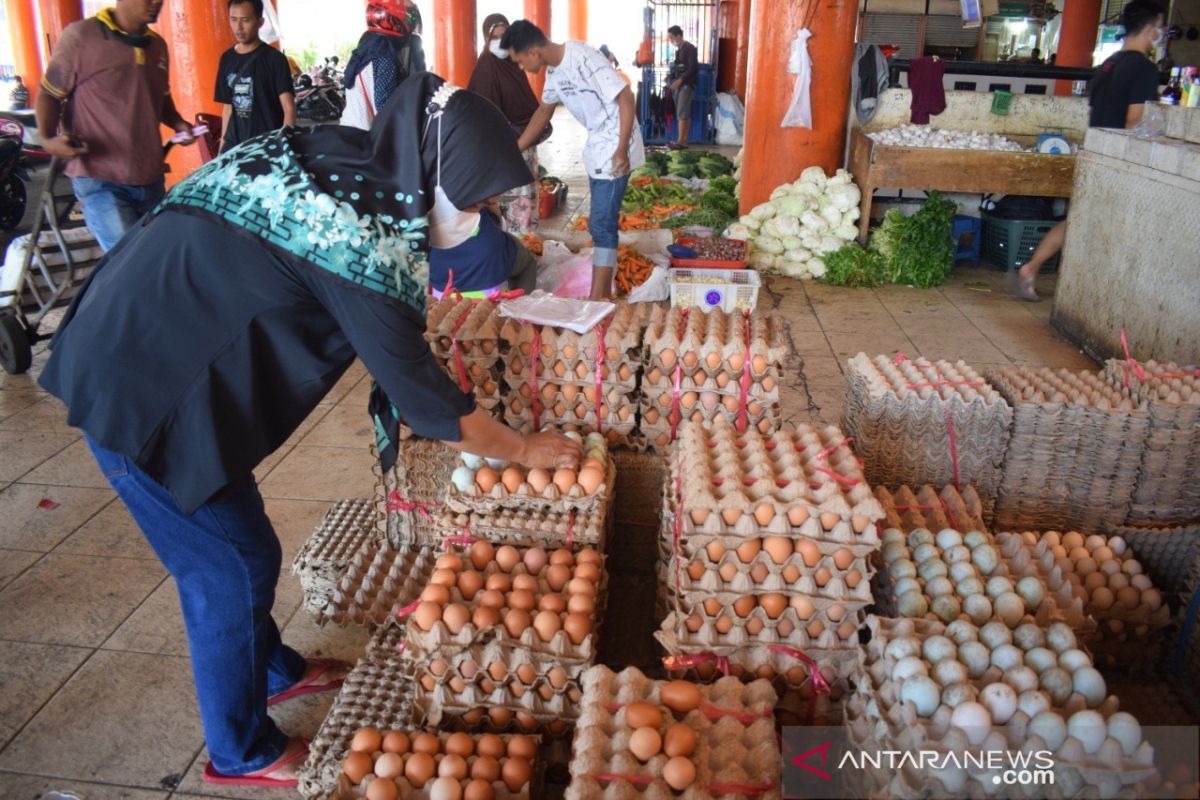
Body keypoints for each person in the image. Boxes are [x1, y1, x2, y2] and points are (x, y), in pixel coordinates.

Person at [38, 73, 581, 788]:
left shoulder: (344, 157)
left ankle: (273, 667)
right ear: (438, 177)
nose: (481, 216)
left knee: (240, 537)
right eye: (476, 199)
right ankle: (239, 749)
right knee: (227, 566)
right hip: (138, 386)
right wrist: (520, 448)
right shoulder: (358, 241)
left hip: (149, 334)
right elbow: (428, 405)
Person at [1014, 0, 1164, 301]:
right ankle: (1093, 291)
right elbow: (1134, 121)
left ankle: (1032, 267)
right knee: (1107, 227)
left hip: (1093, 154)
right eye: (1160, 28)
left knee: (1078, 220)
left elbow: (1097, 111)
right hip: (1120, 162)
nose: (1161, 34)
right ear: (1149, 29)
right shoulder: (1144, 69)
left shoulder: (1107, 65)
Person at [35, 0, 197, 252]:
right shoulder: (82, 37)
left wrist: (177, 123)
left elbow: (161, 97)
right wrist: (47, 139)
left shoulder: (157, 46)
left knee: (155, 255)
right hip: (101, 178)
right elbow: (49, 93)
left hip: (149, 177)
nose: (157, 3)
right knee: (131, 261)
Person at [502, 20, 644, 301]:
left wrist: (620, 149)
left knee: (602, 224)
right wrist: (515, 148)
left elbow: (626, 96)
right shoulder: (554, 72)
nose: (520, 68)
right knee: (600, 224)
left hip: (616, 144)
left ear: (533, 52)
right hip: (597, 148)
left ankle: (597, 298)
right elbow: (544, 112)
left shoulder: (582, 57)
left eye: (519, 61)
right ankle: (601, 294)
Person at [468, 14, 542, 233]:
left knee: (526, 203)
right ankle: (512, 251)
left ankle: (525, 246)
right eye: (495, 36)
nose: (501, 41)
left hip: (525, 146)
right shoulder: (485, 68)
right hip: (500, 153)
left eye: (505, 36)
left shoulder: (514, 67)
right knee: (507, 205)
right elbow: (480, 116)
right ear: (486, 38)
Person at [215, 0, 296, 154]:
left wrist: (283, 147)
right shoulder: (226, 59)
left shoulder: (275, 59)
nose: (238, 27)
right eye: (233, 19)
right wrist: (222, 150)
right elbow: (228, 107)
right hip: (235, 146)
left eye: (245, 20)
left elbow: (289, 108)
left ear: (260, 22)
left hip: (267, 145)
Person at [341, 0, 426, 130]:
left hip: (351, 127)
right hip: (363, 135)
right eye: (409, 16)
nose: (413, 22)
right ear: (393, 19)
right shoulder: (385, 54)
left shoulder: (371, 42)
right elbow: (385, 107)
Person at [665, 25, 699, 150]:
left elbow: (692, 68)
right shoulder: (679, 50)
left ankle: (680, 141)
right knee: (685, 112)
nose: (671, 40)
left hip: (687, 84)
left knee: (681, 112)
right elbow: (679, 67)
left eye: (672, 37)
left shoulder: (690, 49)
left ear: (679, 35)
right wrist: (670, 76)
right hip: (680, 84)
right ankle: (684, 141)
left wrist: (680, 80)